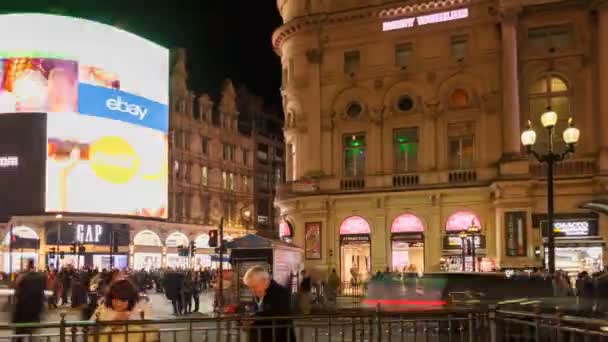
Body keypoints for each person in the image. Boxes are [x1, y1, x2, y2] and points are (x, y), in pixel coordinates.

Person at [89, 277, 157, 342]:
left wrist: (131, 322)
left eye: (123, 300)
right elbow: (90, 333)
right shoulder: (102, 309)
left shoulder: (141, 308)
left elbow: (153, 334)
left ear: (130, 300)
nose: (118, 304)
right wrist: (112, 326)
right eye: (115, 300)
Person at [243, 266, 295, 342]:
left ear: (265, 281)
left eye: (254, 287)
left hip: (277, 337)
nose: (252, 290)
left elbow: (277, 314)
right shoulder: (259, 292)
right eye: (250, 287)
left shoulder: (280, 292)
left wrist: (253, 318)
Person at [13, 260, 46, 338]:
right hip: (35, 313)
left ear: (27, 266)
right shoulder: (41, 277)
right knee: (34, 336)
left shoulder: (22, 277)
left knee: (20, 336)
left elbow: (17, 292)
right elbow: (42, 293)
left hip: (23, 314)